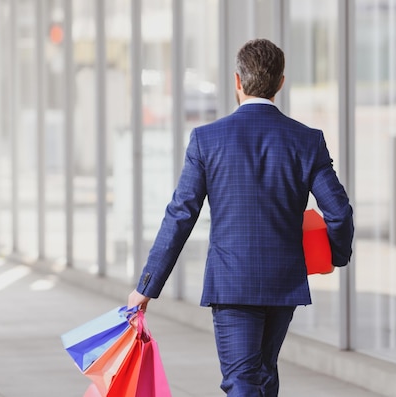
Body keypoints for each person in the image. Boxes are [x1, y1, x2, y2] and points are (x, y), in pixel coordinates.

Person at [128, 38, 354, 396]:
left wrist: (147, 285)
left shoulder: (207, 139)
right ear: (281, 82)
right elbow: (339, 212)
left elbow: (180, 215)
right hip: (284, 283)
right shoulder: (306, 140)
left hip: (232, 283)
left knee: (243, 381)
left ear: (237, 81)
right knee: (262, 374)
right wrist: (335, 256)